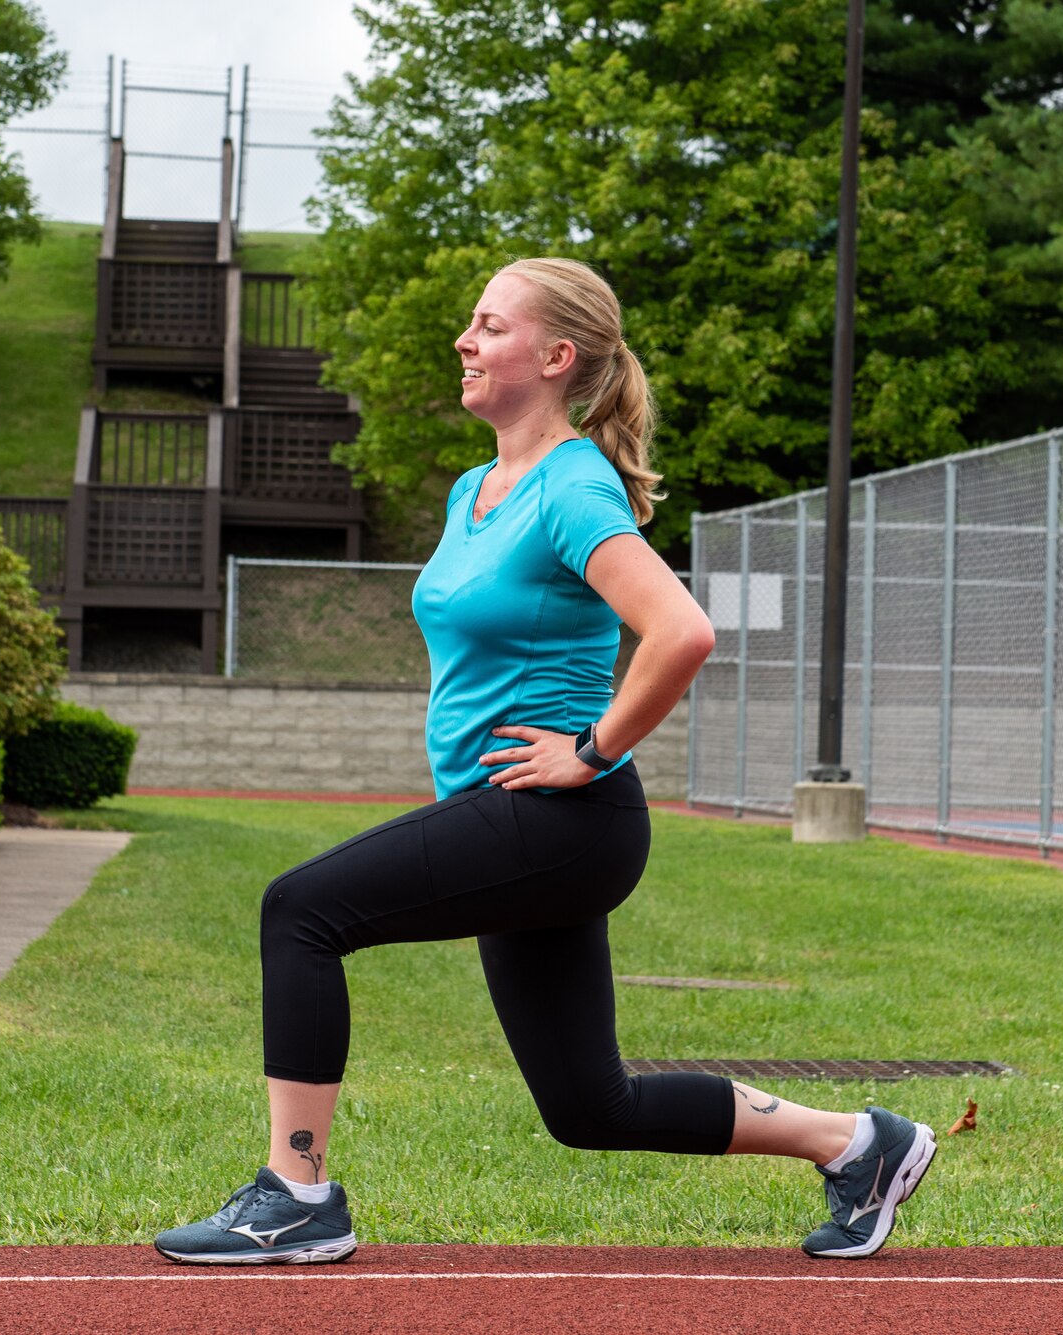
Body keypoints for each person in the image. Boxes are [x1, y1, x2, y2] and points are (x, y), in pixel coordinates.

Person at [154, 257, 935, 1267]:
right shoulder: (476, 487)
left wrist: (591, 749)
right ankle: (860, 1145)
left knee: (298, 910)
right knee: (585, 1103)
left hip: (559, 822)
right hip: (513, 826)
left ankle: (296, 1192)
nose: (463, 342)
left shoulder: (571, 486)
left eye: (487, 326)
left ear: (556, 357)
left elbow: (680, 631)